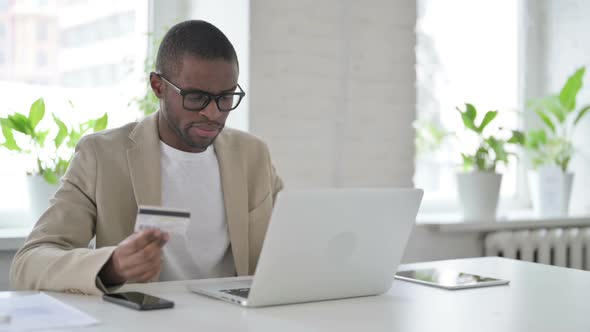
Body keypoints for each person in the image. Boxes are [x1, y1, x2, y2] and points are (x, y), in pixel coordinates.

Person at [9, 20, 283, 295]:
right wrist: (111, 266)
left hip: (235, 321)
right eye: (196, 97)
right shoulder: (101, 156)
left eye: (225, 97)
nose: (213, 113)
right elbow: (28, 264)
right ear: (158, 86)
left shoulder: (252, 154)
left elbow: (296, 240)